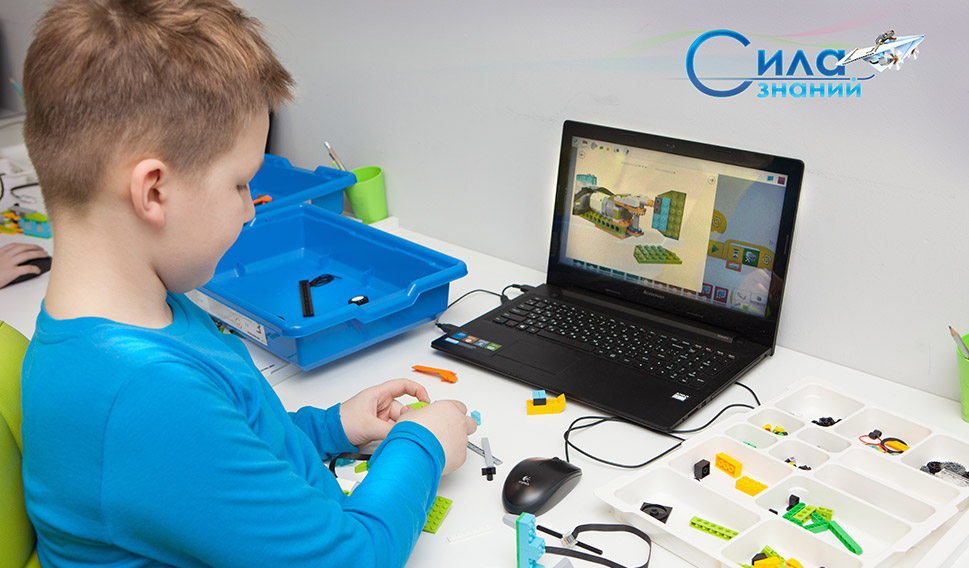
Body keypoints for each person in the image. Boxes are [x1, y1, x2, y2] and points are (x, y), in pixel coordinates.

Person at [19, 1, 476, 567]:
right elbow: (351, 559)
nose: (251, 210)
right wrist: (423, 448)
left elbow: (230, 443)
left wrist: (328, 427)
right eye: (240, 184)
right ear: (154, 192)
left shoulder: (145, 311)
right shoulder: (144, 397)